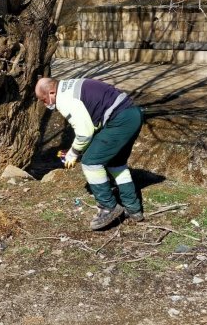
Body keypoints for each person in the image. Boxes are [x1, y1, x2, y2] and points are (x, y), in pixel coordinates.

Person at [35, 76, 144, 230]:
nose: (44, 103)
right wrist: (76, 149)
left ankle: (108, 207)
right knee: (116, 164)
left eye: (43, 99)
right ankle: (134, 209)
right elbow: (91, 124)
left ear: (52, 92)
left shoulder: (64, 100)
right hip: (133, 114)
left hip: (119, 119)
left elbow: (84, 133)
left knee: (90, 162)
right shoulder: (69, 85)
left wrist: (73, 153)